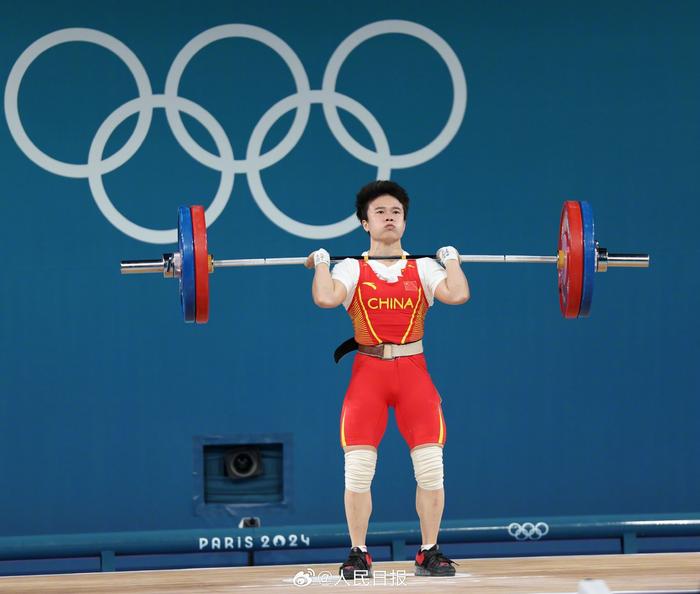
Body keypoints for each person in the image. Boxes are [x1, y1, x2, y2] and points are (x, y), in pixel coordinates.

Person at [305, 180, 470, 579]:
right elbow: (325, 298)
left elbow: (458, 294)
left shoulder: (424, 267)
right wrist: (323, 263)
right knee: (358, 469)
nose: (389, 217)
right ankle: (358, 552)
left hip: (414, 374)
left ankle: (429, 551)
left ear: (405, 221)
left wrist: (451, 261)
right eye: (380, 212)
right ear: (365, 223)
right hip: (368, 376)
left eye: (396, 212)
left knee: (431, 468)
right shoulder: (351, 268)